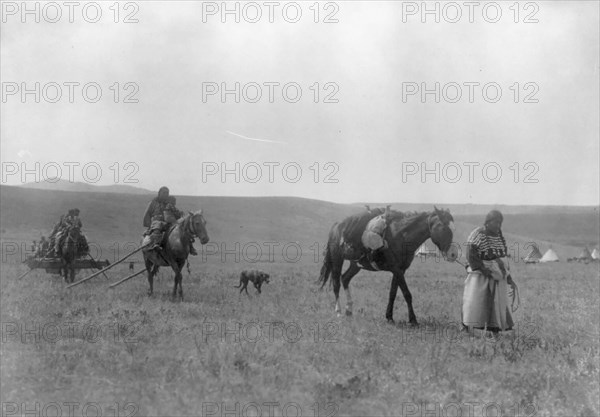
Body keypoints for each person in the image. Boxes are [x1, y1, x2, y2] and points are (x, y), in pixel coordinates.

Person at [462, 210, 518, 333]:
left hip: (497, 275)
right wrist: (483, 269)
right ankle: (467, 326)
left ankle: (495, 328)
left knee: (497, 303)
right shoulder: (478, 234)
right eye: (496, 222)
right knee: (475, 301)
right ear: (487, 222)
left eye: (500, 223)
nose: (498, 225)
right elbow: (471, 253)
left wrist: (508, 276)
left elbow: (503, 258)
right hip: (480, 275)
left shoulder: (499, 236)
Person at [143, 187, 197, 255]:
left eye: (167, 193)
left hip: (168, 222)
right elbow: (147, 213)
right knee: (158, 226)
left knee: (183, 230)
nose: (166, 194)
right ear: (159, 193)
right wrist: (149, 225)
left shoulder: (169, 203)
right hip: (156, 221)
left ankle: (190, 247)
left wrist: (180, 214)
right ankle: (156, 244)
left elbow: (174, 212)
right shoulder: (153, 203)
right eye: (164, 193)